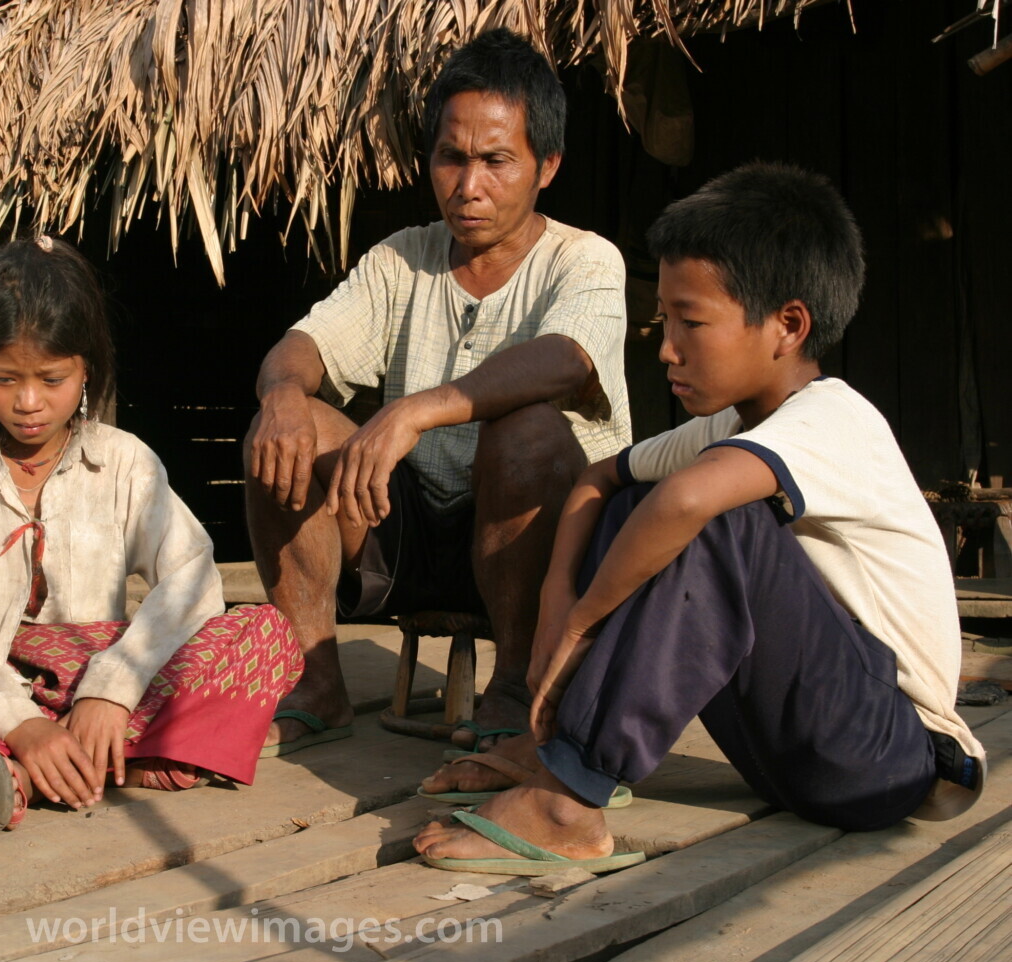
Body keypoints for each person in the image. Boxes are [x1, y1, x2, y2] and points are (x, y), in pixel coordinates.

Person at [414, 163, 986, 875]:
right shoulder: (729, 427)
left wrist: (585, 622)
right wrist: (558, 605)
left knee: (706, 515)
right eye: (665, 321)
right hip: (786, 752)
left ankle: (567, 802)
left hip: (887, 754)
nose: (666, 348)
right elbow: (596, 480)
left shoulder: (836, 419)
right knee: (631, 504)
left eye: (692, 322)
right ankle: (559, 747)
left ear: (788, 326)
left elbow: (689, 505)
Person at [245, 28, 630, 755]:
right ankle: (315, 680)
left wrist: (414, 410)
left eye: (496, 161)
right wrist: (283, 396)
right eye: (451, 157)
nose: (468, 185)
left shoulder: (584, 260)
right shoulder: (403, 259)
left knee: (528, 434)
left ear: (547, 166)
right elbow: (304, 345)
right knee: (289, 430)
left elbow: (567, 360)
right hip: (407, 534)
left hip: (538, 546)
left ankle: (514, 685)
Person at [0, 236, 302, 834]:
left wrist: (111, 688)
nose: (28, 402)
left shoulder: (124, 461)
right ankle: (111, 763)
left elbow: (191, 577)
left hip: (102, 684)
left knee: (265, 634)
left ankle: (29, 772)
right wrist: (22, 722)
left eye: (52, 379)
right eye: (5, 378)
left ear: (86, 367)